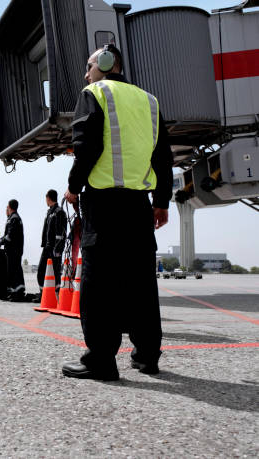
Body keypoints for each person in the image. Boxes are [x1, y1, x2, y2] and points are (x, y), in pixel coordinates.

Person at [61, 44, 173, 381]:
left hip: (104, 203)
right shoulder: (149, 101)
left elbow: (88, 147)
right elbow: (163, 157)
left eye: (89, 65)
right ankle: (147, 356)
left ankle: (101, 361)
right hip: (139, 205)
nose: (86, 73)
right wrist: (162, 202)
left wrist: (73, 186)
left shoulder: (95, 92)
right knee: (140, 283)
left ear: (106, 64)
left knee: (99, 286)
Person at [33, 190, 67, 303]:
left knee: (56, 272)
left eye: (46, 199)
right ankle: (43, 294)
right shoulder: (49, 212)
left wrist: (57, 249)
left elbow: (61, 234)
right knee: (41, 271)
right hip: (47, 247)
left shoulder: (59, 212)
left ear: (48, 198)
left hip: (54, 248)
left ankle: (58, 295)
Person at [0, 199, 25, 301]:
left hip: (14, 250)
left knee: (14, 271)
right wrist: (1, 239)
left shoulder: (14, 218)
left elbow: (10, 236)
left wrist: (1, 241)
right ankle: (16, 292)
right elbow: (7, 235)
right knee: (15, 271)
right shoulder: (13, 218)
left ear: (9, 207)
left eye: (6, 207)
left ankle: (17, 293)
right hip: (13, 250)